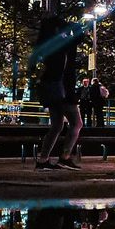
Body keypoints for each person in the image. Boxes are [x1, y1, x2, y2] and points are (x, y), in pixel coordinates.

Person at [30, 16, 83, 170]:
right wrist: (72, 25)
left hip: (52, 89)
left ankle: (43, 159)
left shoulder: (47, 44)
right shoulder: (62, 43)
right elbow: (78, 36)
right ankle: (65, 156)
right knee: (77, 123)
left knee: (57, 125)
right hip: (63, 88)